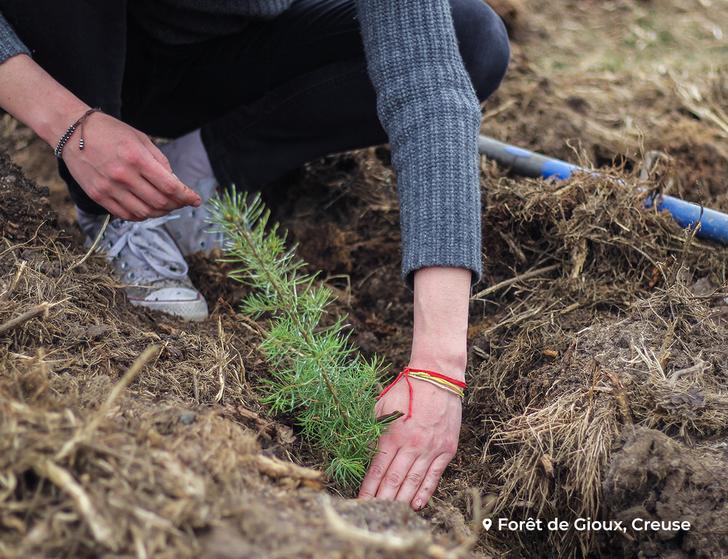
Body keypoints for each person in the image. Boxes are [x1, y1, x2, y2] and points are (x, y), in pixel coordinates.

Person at [0, 1, 510, 511]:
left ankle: (195, 167)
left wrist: (438, 368)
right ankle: (112, 208)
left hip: (209, 59)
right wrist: (70, 124)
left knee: (472, 40)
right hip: (59, 54)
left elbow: (430, 86)